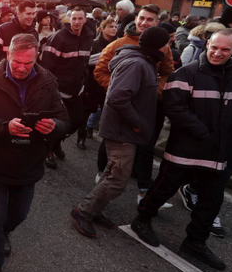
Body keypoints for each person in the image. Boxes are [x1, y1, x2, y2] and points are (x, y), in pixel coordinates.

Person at [131, 29, 232, 270]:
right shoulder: (186, 73)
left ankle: (195, 241)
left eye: (225, 50)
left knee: (211, 201)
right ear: (207, 44)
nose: (218, 53)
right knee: (163, 188)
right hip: (186, 148)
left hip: (217, 154)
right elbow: (175, 109)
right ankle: (142, 220)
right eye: (215, 47)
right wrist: (204, 134)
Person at [0, 34, 69, 272]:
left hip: (28, 163)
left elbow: (64, 120)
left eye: (29, 63)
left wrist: (54, 127)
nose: (23, 68)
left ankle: (4, 234)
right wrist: (4, 127)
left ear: (36, 58)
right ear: (8, 55)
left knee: (19, 214)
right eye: (17, 62)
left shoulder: (47, 81)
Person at [70, 27, 171, 237]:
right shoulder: (136, 63)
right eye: (167, 42)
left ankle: (92, 209)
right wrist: (137, 123)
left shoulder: (144, 60)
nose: (169, 47)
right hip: (122, 131)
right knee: (117, 180)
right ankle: (84, 212)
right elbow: (117, 97)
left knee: (111, 173)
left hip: (124, 130)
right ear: (158, 45)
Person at [94, 4, 174, 206]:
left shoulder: (163, 46)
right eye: (141, 18)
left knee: (146, 147)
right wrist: (117, 89)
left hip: (148, 107)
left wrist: (155, 92)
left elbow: (167, 72)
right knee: (111, 143)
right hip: (120, 106)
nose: (144, 23)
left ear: (157, 23)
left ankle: (144, 191)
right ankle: (101, 178)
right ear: (136, 18)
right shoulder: (118, 44)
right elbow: (100, 71)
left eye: (149, 20)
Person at [179, 28, 232, 238]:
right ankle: (204, 220)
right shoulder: (229, 70)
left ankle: (193, 191)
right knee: (218, 178)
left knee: (224, 175)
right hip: (226, 136)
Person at [40, 7, 94, 166]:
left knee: (76, 121)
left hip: (77, 90)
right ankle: (47, 149)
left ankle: (56, 143)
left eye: (80, 18)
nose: (77, 22)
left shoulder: (88, 37)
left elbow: (85, 64)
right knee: (55, 123)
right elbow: (47, 66)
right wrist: (51, 89)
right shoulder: (59, 37)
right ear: (69, 20)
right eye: (74, 18)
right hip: (59, 90)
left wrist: (85, 84)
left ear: (85, 20)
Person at [84, 17, 117, 154]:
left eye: (115, 26)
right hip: (93, 82)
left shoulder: (118, 44)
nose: (114, 29)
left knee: (105, 110)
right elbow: (88, 62)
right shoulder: (94, 43)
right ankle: (84, 132)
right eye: (111, 27)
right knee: (88, 109)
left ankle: (98, 131)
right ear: (102, 29)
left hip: (110, 83)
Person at [0, 1, 37, 67]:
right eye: (28, 14)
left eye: (33, 14)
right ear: (19, 14)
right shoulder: (2, 30)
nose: (32, 17)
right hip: (3, 74)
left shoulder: (34, 33)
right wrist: (8, 68)